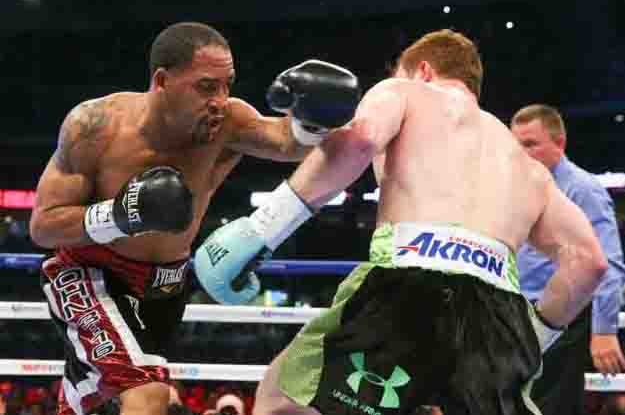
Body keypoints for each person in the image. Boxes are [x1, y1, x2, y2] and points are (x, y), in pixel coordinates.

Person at [195, 29, 608, 415]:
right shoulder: (527, 166)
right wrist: (532, 337)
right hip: (499, 320)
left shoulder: (406, 92)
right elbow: (589, 262)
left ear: (423, 70)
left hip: (408, 286)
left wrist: (261, 229)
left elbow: (357, 144)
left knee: (280, 399)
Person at [29, 22, 360, 415]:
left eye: (227, 85)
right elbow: (44, 225)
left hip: (166, 288)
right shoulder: (96, 125)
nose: (220, 99)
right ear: (162, 80)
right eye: (206, 87)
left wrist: (312, 119)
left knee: (96, 402)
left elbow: (288, 143)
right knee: (148, 393)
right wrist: (120, 215)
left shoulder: (228, 123)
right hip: (91, 275)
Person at [510, 104, 625, 415]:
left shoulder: (582, 189)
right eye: (516, 144)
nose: (521, 153)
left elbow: (609, 264)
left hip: (565, 321)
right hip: (522, 316)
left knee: (548, 407)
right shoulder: (521, 190)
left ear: (559, 143)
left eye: (531, 144)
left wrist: (604, 331)